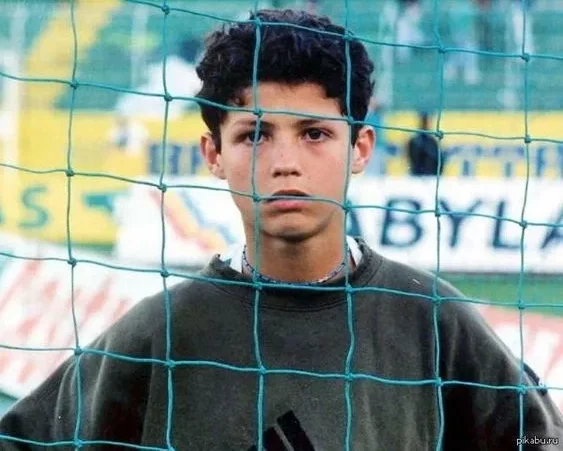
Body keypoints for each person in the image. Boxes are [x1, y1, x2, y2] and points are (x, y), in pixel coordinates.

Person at [1, 8, 562, 450]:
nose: (285, 162)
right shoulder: (160, 334)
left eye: (315, 133)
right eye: (254, 135)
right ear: (213, 153)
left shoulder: (432, 318)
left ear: (360, 148)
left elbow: (541, 438)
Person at [407, 111, 446, 176]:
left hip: (430, 176)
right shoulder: (414, 141)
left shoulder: (432, 141)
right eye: (424, 121)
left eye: (426, 121)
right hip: (417, 175)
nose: (425, 123)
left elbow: (440, 160)